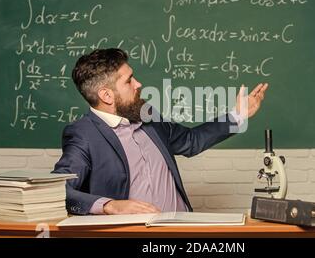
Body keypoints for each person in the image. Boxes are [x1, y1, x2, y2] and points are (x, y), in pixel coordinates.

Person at [52, 48, 268, 215]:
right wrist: (110, 206)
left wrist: (237, 115)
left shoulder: (147, 114)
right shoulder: (84, 134)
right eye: (129, 81)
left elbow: (190, 141)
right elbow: (56, 191)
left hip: (183, 231)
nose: (138, 84)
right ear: (106, 95)